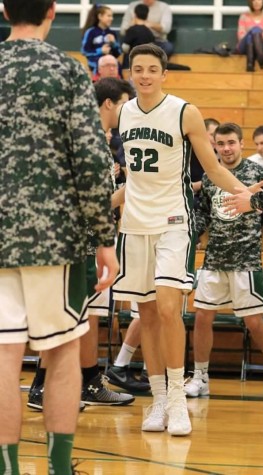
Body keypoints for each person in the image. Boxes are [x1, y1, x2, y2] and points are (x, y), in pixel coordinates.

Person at [111, 44, 263, 437]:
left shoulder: (184, 112)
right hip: (134, 223)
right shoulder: (124, 113)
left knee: (167, 307)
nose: (144, 75)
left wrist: (248, 194)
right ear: (131, 73)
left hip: (175, 221)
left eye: (151, 69)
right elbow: (132, 179)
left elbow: (212, 167)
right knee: (144, 315)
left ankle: (178, 400)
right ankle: (159, 399)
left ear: (165, 74)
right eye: (138, 69)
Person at [0, 1, 119, 474]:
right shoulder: (67, 72)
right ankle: (59, 467)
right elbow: (91, 160)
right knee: (63, 350)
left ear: (6, 11)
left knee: (3, 352)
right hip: (55, 237)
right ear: (52, 12)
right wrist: (103, 236)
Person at [28, 78, 137, 412]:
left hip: (88, 239)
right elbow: (98, 202)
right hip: (75, 241)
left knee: (87, 314)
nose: (128, 110)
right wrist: (137, 184)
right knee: (68, 315)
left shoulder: (98, 140)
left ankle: (89, 382)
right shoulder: (86, 139)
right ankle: (40, 388)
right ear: (108, 104)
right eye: (123, 103)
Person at [184, 122, 263, 399]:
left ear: (242, 144)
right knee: (202, 317)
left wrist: (256, 201)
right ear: (214, 146)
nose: (226, 148)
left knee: (253, 322)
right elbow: (204, 212)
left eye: (232, 143)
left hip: (246, 259)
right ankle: (201, 376)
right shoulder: (209, 176)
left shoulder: (256, 172)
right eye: (221, 143)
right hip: (214, 257)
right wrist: (191, 230)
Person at [81, 4, 121, 76]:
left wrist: (114, 44)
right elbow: (85, 51)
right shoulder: (91, 32)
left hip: (110, 64)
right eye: (108, 16)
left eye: (112, 16)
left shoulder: (112, 33)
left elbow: (117, 54)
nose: (111, 18)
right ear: (100, 16)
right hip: (94, 65)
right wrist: (100, 51)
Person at [236, 0, 263, 72]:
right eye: (254, 0)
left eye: (259, 0)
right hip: (245, 46)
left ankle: (250, 64)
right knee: (255, 31)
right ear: (250, 2)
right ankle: (260, 57)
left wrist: (259, 36)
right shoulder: (243, 17)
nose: (256, 2)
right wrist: (256, 33)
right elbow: (241, 36)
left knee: (253, 34)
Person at [191, 118, 220, 210]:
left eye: (217, 136)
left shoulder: (221, 154)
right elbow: (180, 188)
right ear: (202, 134)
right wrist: (204, 183)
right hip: (195, 199)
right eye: (212, 135)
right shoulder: (187, 156)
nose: (215, 139)